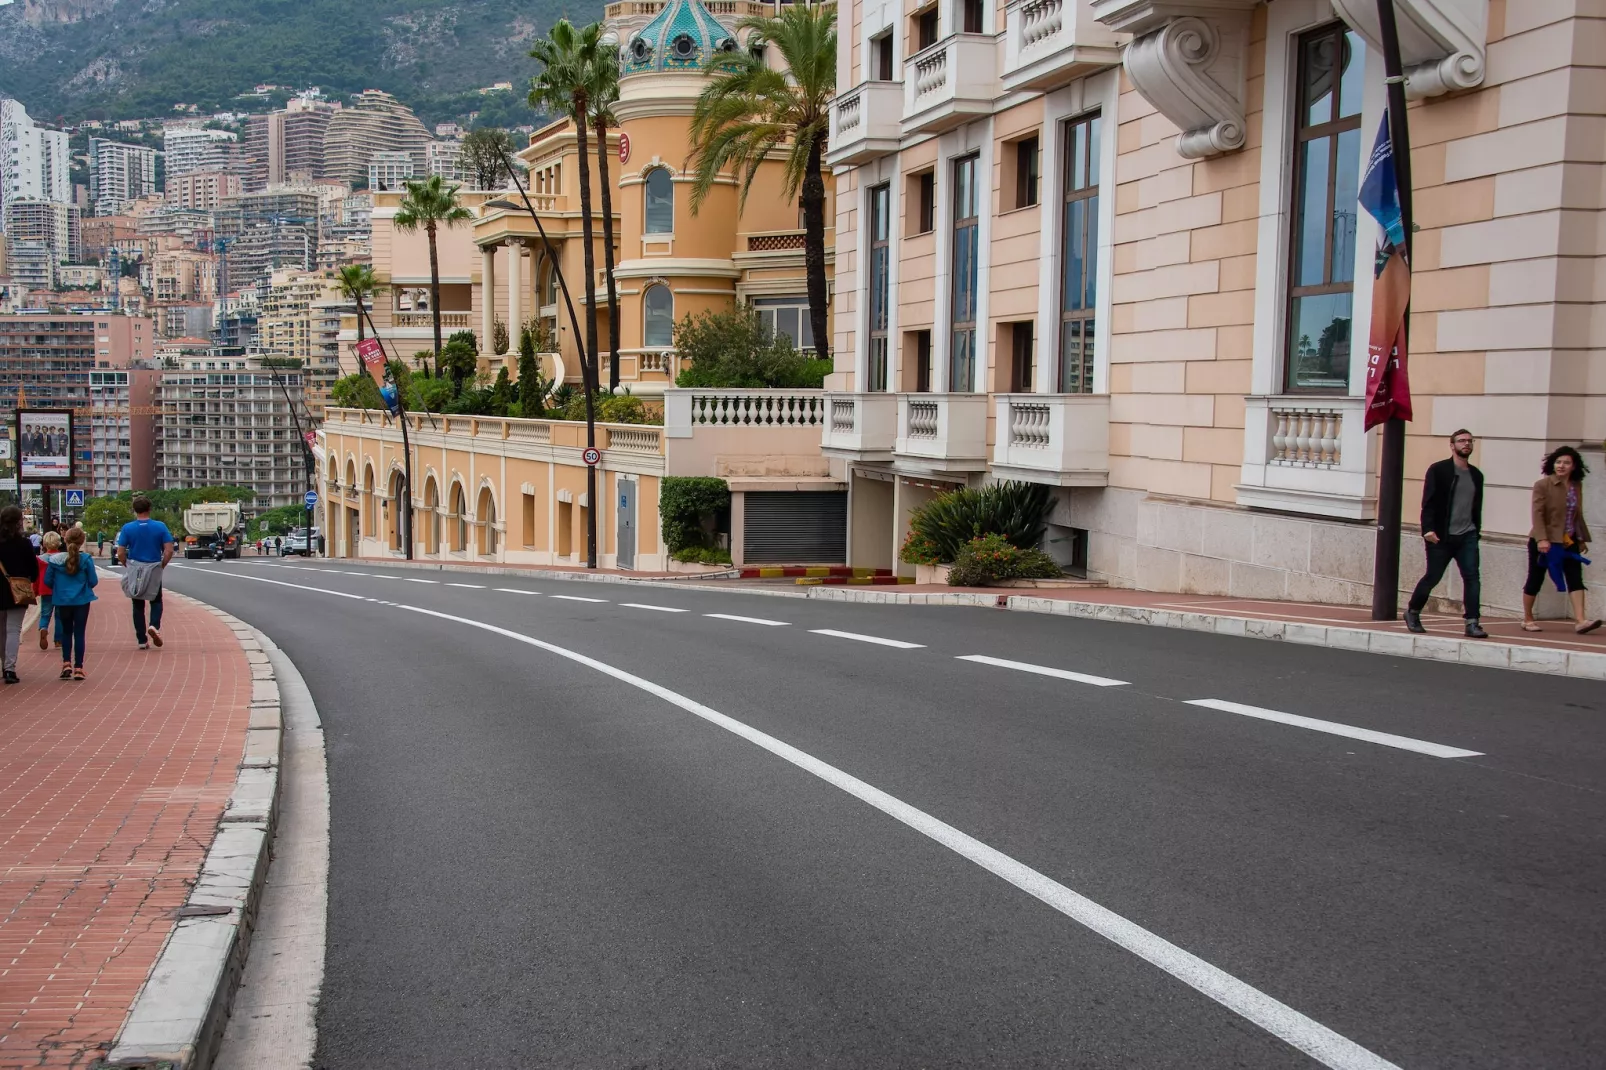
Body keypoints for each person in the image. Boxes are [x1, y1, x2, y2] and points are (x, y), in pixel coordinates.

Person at [1405, 429, 1487, 638]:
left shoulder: (1476, 475)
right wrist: (1428, 530)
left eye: (1470, 441)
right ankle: (1412, 612)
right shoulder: (1439, 470)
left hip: (1467, 535)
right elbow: (1429, 503)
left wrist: (1476, 530)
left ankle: (1472, 622)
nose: (1466, 444)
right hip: (1440, 536)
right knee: (1433, 576)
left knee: (1472, 578)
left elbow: (1476, 507)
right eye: (1461, 441)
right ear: (1452, 445)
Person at [1522, 445, 1601, 635]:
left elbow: (1576, 515)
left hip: (1568, 541)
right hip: (1544, 541)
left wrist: (1581, 538)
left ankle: (1581, 621)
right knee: (1535, 578)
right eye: (1558, 462)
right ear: (1552, 464)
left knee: (1575, 577)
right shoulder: (1543, 485)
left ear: (1574, 466)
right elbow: (1537, 514)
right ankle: (1527, 618)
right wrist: (1542, 539)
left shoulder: (1576, 486)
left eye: (1566, 463)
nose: (1561, 466)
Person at [116, 496, 175, 650]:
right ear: (149, 509)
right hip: (154, 566)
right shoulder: (160, 526)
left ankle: (142, 639)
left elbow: (121, 552)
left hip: (136, 567)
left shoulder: (127, 528)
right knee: (156, 600)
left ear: (134, 510)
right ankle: (154, 625)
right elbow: (169, 549)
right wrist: (162, 565)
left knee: (137, 604)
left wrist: (127, 565)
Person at [46, 528, 97, 680]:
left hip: (62, 600)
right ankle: (79, 667)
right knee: (79, 633)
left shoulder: (55, 560)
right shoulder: (86, 559)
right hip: (81, 600)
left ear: (65, 540)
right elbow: (93, 581)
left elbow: (47, 581)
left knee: (66, 632)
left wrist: (59, 588)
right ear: (82, 542)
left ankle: (66, 663)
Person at [1, 505, 41, 684]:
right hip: (16, 592)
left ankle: (3, 665)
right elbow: (33, 570)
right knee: (13, 631)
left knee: (1, 632)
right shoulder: (23, 543)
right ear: (19, 522)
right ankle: (10, 669)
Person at [35, 530, 64, 650]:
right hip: (59, 590)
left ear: (44, 544)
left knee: (45, 613)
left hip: (45, 589)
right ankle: (58, 639)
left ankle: (43, 628)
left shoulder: (39, 559)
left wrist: (35, 590)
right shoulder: (62, 558)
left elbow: (36, 577)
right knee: (59, 615)